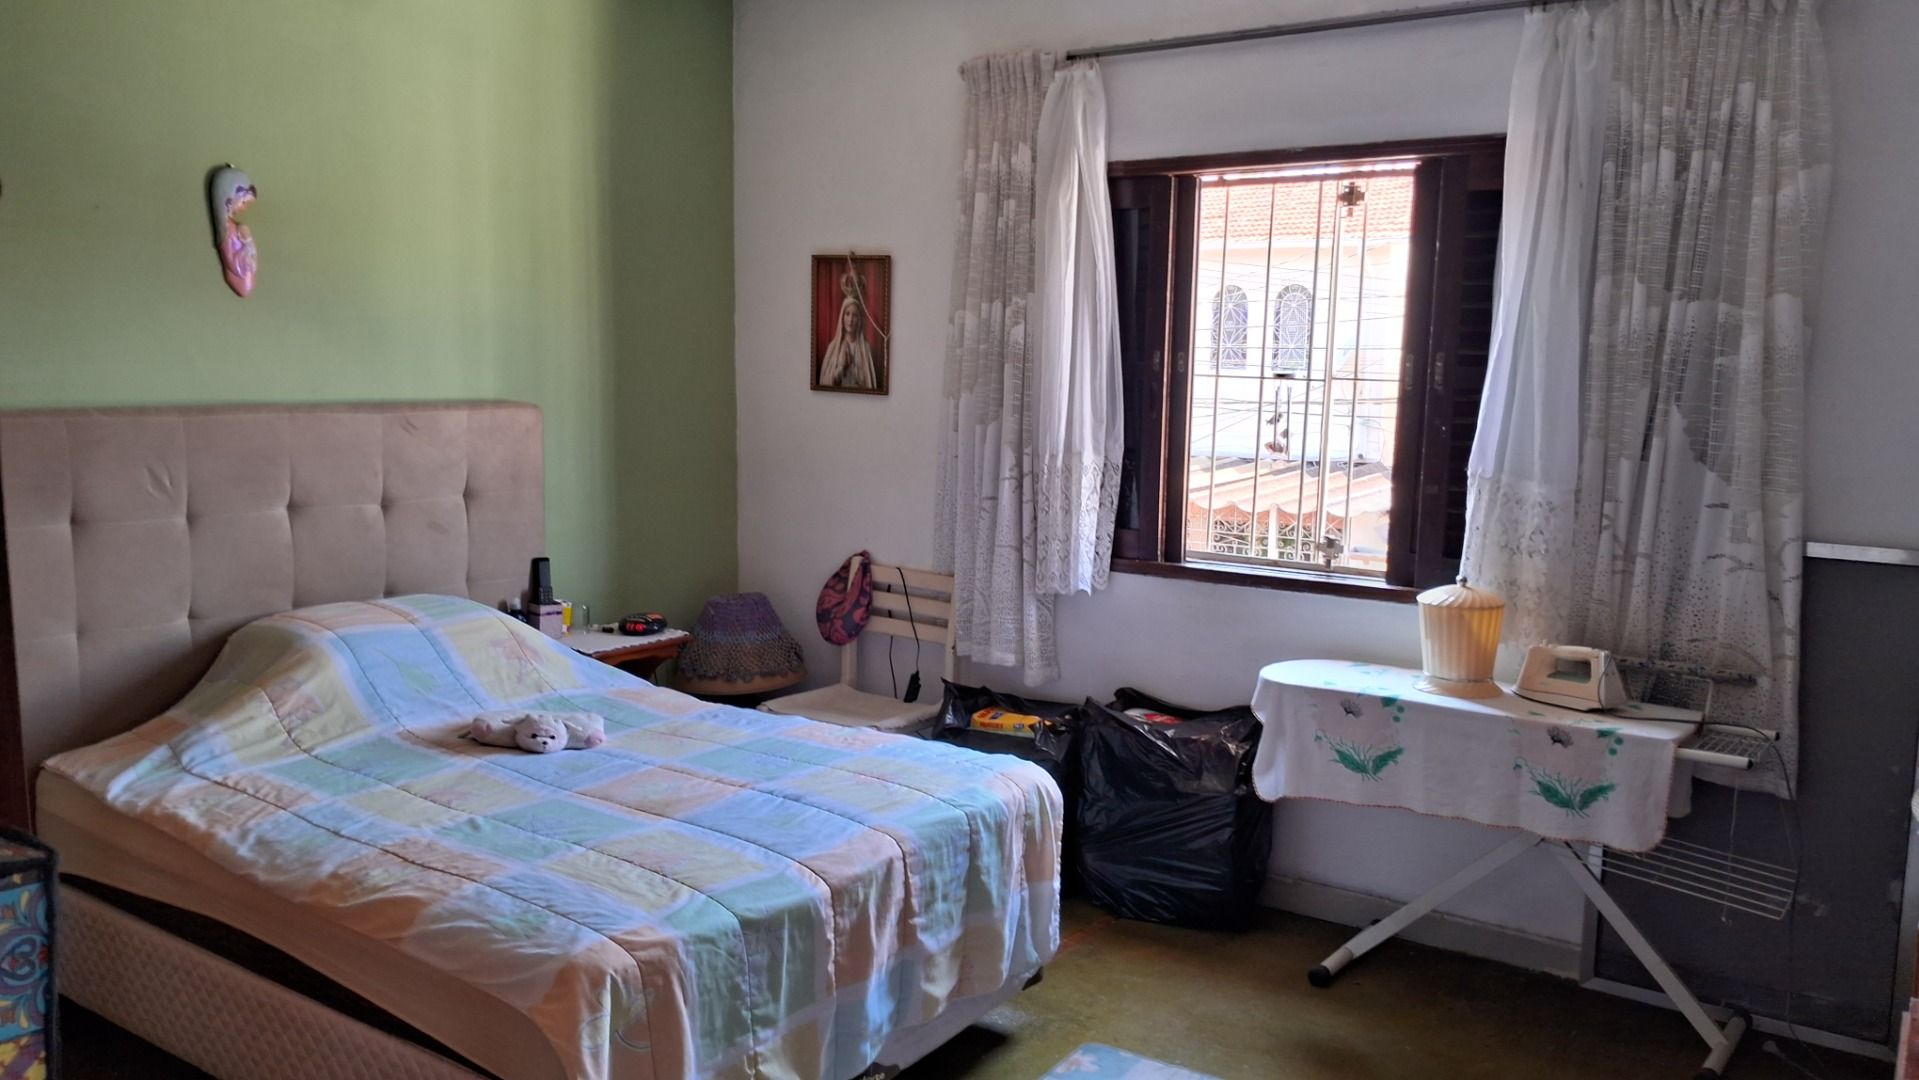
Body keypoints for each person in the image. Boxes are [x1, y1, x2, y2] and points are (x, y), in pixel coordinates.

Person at [819, 291, 878, 389]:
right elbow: (824, 383)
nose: (850, 320)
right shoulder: (833, 347)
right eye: (847, 314)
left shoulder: (866, 349)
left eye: (854, 315)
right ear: (842, 317)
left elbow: (869, 384)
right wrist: (841, 368)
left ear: (859, 320)